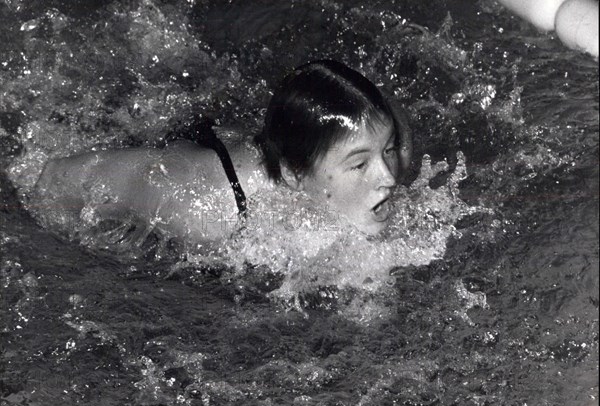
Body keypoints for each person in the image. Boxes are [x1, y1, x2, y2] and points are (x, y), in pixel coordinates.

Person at [32, 60, 412, 249]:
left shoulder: (386, 143)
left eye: (389, 150)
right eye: (360, 164)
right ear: (294, 175)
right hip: (190, 156)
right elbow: (55, 178)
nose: (389, 177)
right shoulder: (203, 209)